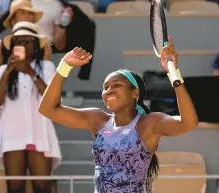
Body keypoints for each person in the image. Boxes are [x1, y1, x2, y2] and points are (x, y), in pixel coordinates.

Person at [38, 37, 199, 193]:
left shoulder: (150, 123)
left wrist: (174, 74)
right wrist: (64, 66)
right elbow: (47, 109)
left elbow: (188, 123)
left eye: (117, 85)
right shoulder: (97, 119)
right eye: (106, 87)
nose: (109, 91)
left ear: (134, 93)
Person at [0, 21, 61, 193]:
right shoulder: (4, 70)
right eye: (18, 41)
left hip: (40, 132)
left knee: (42, 187)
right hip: (12, 133)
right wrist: (8, 72)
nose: (22, 45)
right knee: (15, 188)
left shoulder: (46, 67)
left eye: (27, 41)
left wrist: (30, 72)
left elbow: (54, 100)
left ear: (36, 45)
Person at [0, 0, 52, 72]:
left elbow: (48, 78)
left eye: (30, 13)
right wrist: (8, 70)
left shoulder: (44, 45)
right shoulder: (1, 46)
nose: (27, 16)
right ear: (13, 19)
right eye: (22, 13)